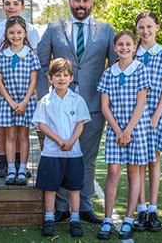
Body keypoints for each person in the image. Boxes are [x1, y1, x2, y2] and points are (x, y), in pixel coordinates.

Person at [36, 0, 117, 224]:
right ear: (69, 1)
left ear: (92, 3)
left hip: (93, 105)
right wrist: (44, 98)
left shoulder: (106, 30)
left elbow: (114, 67)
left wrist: (110, 101)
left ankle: (84, 206)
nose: (81, 4)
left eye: (86, 0)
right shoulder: (53, 28)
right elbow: (41, 64)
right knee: (60, 155)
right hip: (58, 105)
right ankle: (61, 208)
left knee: (87, 158)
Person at [96, 31, 152, 240]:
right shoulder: (108, 73)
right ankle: (107, 219)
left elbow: (141, 103)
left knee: (133, 172)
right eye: (120, 44)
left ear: (135, 47)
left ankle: (129, 219)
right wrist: (118, 130)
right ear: (115, 47)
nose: (124, 48)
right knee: (113, 172)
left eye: (128, 44)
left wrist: (128, 130)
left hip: (136, 129)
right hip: (114, 130)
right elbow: (104, 105)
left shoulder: (141, 71)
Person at [0, 0, 39, 178]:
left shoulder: (31, 30)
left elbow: (34, 59)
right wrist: (3, 76)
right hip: (1, 84)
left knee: (21, 128)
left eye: (16, 3)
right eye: (8, 3)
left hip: (23, 86)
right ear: (3, 6)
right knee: (3, 124)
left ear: (23, 6)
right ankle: (3, 161)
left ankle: (19, 163)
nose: (11, 7)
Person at [32, 58, 91, 238]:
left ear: (71, 78)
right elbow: (41, 125)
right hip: (51, 152)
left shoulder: (77, 99)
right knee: (50, 188)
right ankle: (49, 219)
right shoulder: (45, 101)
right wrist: (58, 140)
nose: (62, 79)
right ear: (50, 78)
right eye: (57, 75)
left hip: (74, 153)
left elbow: (81, 123)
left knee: (74, 188)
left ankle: (74, 220)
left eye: (65, 75)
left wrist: (72, 141)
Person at [133, 11, 162, 232]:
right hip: (135, 117)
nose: (145, 31)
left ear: (157, 27)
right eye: (141, 27)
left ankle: (153, 209)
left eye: (149, 26)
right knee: (139, 163)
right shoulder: (132, 54)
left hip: (156, 116)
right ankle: (141, 208)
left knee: (154, 162)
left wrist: (156, 115)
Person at [0, 15, 41, 185]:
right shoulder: (2, 56)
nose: (16, 36)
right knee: (10, 135)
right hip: (8, 102)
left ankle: (22, 168)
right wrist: (11, 102)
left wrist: (25, 101)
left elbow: (33, 81)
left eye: (19, 32)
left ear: (25, 34)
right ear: (6, 34)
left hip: (25, 101)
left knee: (23, 135)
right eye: (12, 32)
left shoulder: (31, 55)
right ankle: (11, 169)